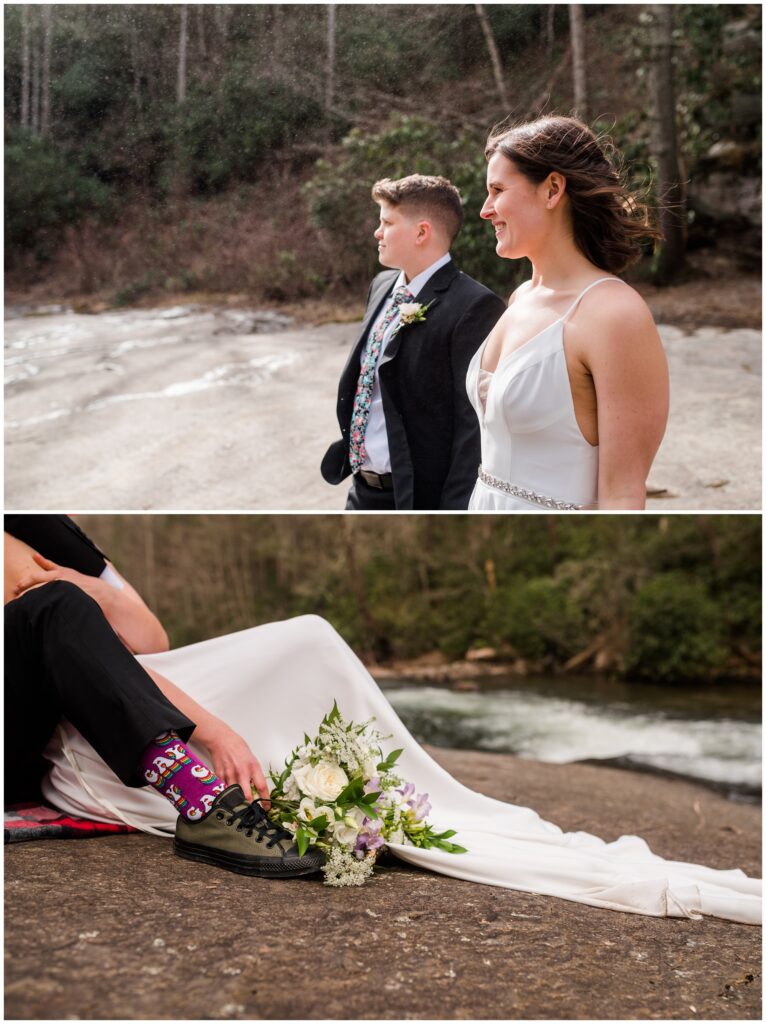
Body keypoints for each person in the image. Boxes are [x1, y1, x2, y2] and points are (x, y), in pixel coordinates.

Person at [36, 555, 760, 924]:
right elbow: (62, 627)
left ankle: (374, 790)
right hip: (53, 722)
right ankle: (195, 792)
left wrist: (74, 571)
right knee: (60, 605)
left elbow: (145, 636)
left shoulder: (53, 528)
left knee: (308, 639)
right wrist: (210, 727)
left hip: (128, 672)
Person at [4, 516, 324, 878]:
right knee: (54, 604)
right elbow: (76, 645)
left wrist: (92, 589)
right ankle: (201, 805)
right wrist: (216, 733)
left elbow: (152, 639)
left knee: (311, 638)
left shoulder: (42, 525)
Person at [466, 116, 670, 511]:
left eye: (497, 190)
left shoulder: (614, 315)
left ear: (553, 189)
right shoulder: (521, 297)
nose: (485, 210)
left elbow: (623, 494)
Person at [321, 174, 506, 510]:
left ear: (422, 232)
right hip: (361, 491)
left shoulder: (474, 306)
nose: (377, 233)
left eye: (387, 223)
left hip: (419, 496)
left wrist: (455, 511)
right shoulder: (381, 285)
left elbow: (472, 428)